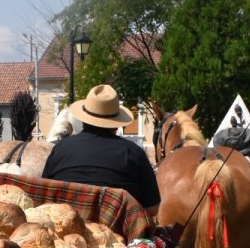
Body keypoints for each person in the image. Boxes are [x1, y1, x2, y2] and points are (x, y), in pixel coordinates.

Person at [42, 84, 161, 215]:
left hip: (65, 231)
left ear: (83, 119)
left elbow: (45, 197)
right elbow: (152, 209)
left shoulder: (60, 149)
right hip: (118, 232)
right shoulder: (133, 153)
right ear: (116, 123)